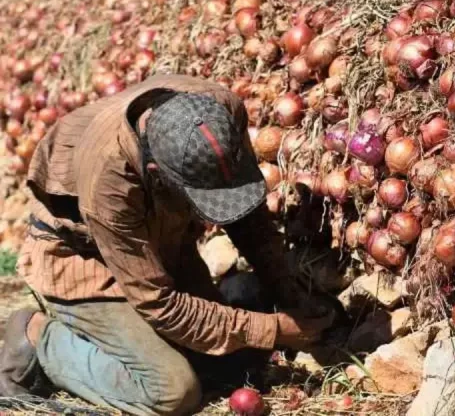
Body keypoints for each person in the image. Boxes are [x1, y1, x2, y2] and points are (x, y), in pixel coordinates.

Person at [0, 75, 335, 415]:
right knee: (173, 390)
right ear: (155, 171)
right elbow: (160, 305)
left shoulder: (221, 111)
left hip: (160, 244)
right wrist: (274, 329)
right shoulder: (109, 184)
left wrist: (287, 290)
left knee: (229, 363)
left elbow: (250, 219)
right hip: (84, 259)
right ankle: (40, 337)